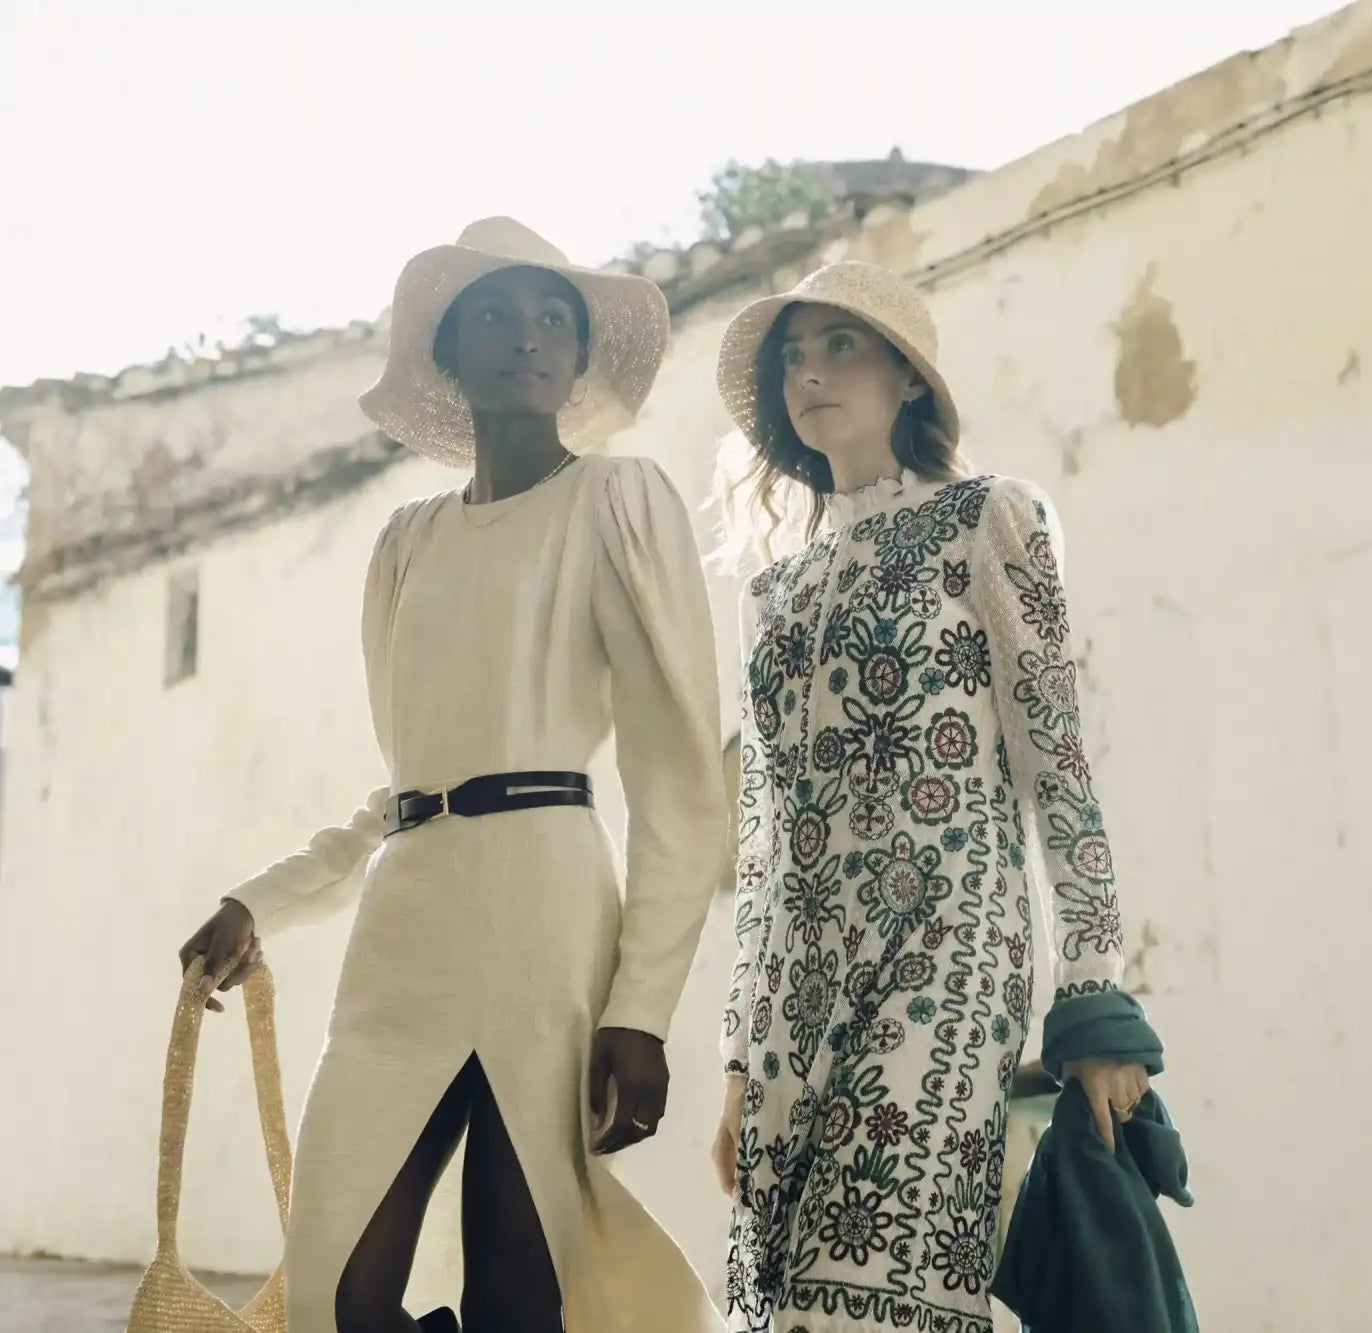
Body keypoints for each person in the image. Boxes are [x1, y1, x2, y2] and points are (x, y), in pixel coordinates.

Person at [175, 218, 728, 1333]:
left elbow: (676, 783)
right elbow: (403, 791)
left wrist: (642, 1010)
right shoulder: (404, 544)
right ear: (445, 352)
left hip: (549, 925)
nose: (525, 337)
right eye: (493, 314)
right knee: (338, 1290)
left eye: (550, 319)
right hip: (406, 931)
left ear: (576, 357)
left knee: (519, 1293)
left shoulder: (616, 504)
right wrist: (260, 901)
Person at [706, 260, 1157, 1333]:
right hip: (795, 999)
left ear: (908, 377)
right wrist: (738, 1056)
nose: (810, 372)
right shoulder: (773, 592)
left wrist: (1095, 1002)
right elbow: (767, 839)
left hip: (944, 956)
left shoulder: (987, 519)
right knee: (788, 1308)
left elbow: (1058, 766)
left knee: (875, 1293)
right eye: (793, 357)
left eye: (839, 345)